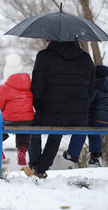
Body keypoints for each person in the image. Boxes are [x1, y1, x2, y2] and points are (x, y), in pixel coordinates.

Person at [24, 40, 95, 178]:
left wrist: (40, 107)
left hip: (50, 112)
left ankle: (35, 167)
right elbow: (91, 89)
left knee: (31, 127)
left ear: (51, 39)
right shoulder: (86, 58)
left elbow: (37, 88)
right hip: (78, 116)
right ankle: (39, 169)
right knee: (56, 130)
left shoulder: (44, 56)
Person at [63, 65, 108, 166]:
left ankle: (73, 154)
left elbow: (87, 104)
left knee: (82, 128)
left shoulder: (95, 88)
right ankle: (95, 157)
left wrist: (80, 118)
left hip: (97, 120)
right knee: (94, 130)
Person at [0, 54, 34, 166]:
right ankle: (22, 151)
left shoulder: (5, 86)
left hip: (9, 119)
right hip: (27, 119)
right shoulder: (29, 84)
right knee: (24, 129)